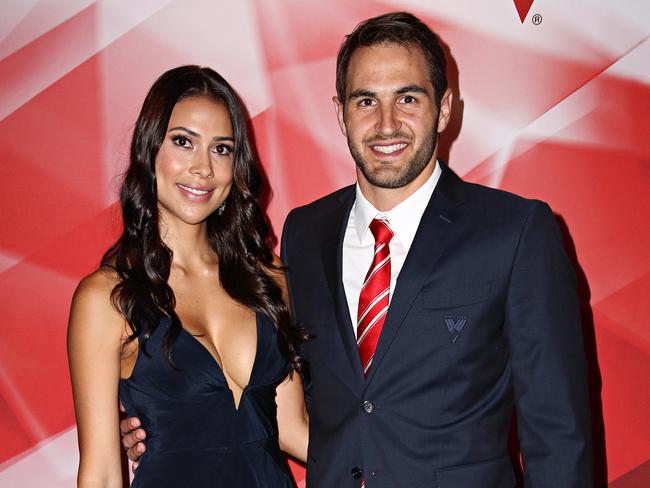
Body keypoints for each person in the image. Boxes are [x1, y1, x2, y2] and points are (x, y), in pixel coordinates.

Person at [122, 12, 593, 487]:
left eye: (407, 98)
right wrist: (174, 419)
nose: (387, 124)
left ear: (444, 108)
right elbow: (290, 401)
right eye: (366, 100)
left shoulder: (513, 231)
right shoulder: (305, 233)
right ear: (340, 112)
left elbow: (559, 434)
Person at [67, 65, 308, 488]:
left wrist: (406, 456)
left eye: (221, 149)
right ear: (150, 150)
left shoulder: (267, 277)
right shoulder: (107, 298)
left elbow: (292, 429)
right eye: (183, 142)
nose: (203, 168)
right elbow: (103, 474)